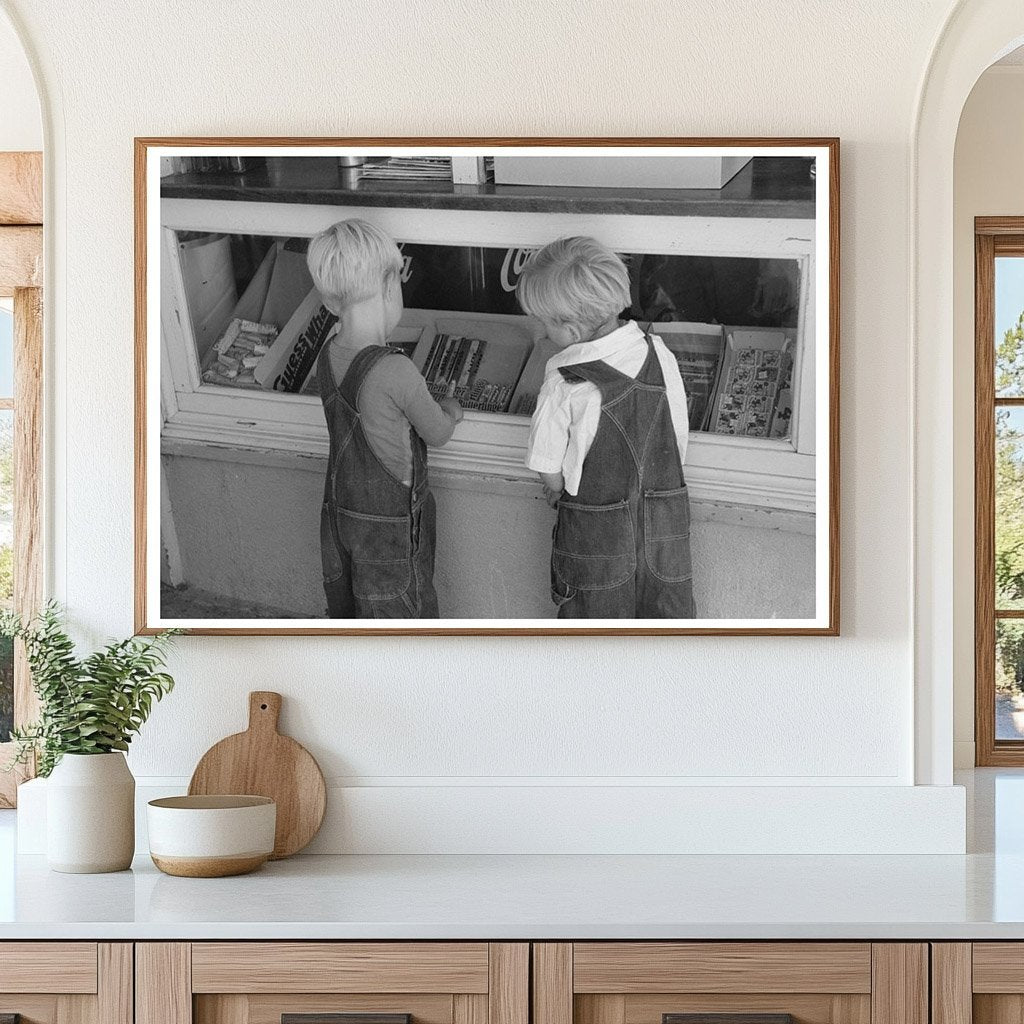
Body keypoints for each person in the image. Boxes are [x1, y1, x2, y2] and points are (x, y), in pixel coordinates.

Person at [518, 236, 695, 619]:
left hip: (595, 535)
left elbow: (546, 463)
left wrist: (554, 491)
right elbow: (677, 438)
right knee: (665, 621)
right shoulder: (658, 352)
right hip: (664, 523)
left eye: (545, 324)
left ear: (571, 331)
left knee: (594, 630)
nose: (544, 333)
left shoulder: (564, 379)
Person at [306, 219, 462, 618]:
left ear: (328, 302)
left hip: (339, 518)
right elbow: (438, 432)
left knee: (350, 609)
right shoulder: (396, 370)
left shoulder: (327, 354)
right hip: (388, 529)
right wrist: (452, 409)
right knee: (399, 618)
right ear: (392, 286)